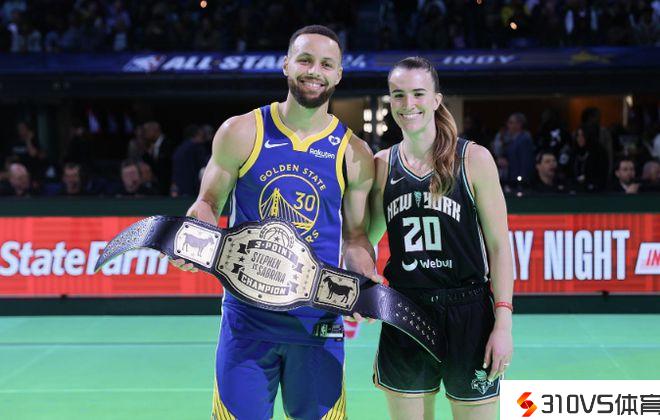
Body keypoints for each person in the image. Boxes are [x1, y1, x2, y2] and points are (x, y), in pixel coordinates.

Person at [170, 25, 375, 419]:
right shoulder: (241, 131)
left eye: (326, 64)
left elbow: (355, 237)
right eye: (305, 60)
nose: (314, 71)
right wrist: (197, 231)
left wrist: (363, 277)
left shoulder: (355, 154)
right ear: (286, 65)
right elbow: (208, 202)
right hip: (247, 322)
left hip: (317, 323)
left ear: (338, 74)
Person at [368, 57, 513, 420]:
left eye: (418, 94)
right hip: (405, 310)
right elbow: (365, 240)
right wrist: (362, 286)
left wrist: (503, 324)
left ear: (436, 99)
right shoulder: (382, 165)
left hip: (469, 312)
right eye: (398, 95)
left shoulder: (473, 159)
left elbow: (499, 247)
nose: (408, 104)